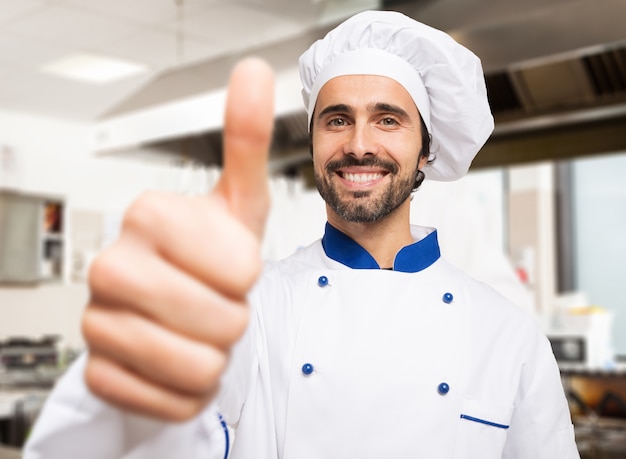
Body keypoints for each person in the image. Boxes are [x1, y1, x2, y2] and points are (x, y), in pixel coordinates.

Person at [24, 10, 580, 459]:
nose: (359, 144)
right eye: (337, 119)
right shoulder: (250, 309)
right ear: (313, 140)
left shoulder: (507, 336)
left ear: (427, 150)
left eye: (388, 119)